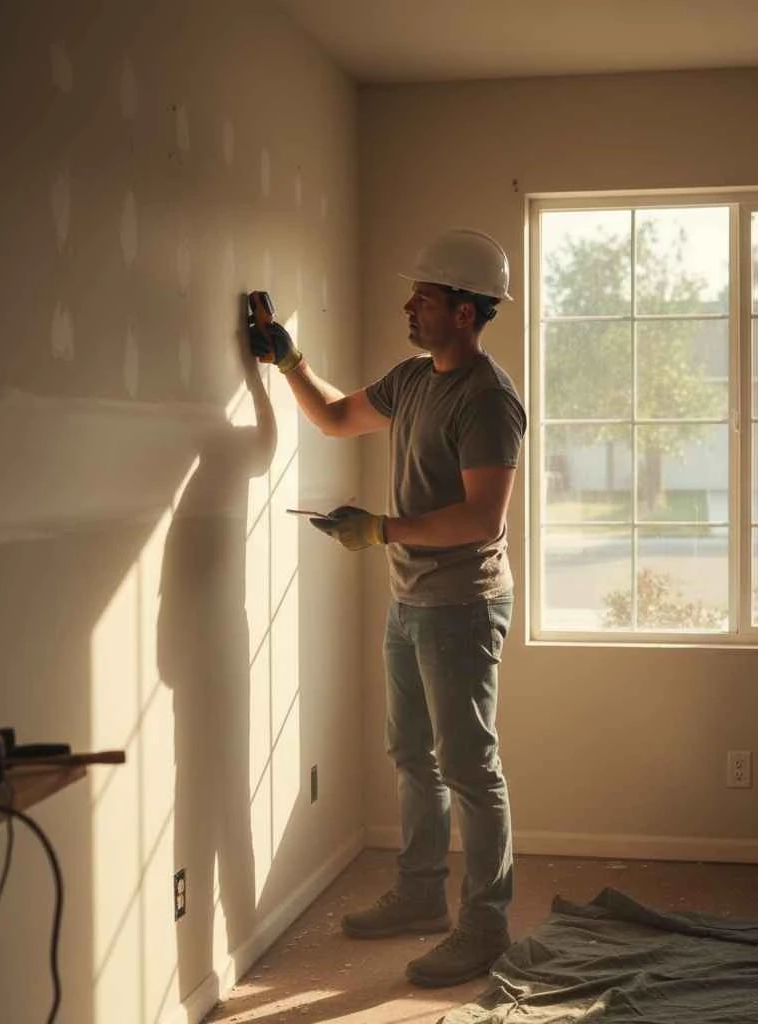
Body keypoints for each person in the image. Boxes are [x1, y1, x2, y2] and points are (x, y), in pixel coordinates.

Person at [249, 227, 527, 988]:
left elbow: (482, 520)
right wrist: (289, 362)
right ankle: (419, 895)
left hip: (462, 605)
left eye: (425, 298)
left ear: (466, 313)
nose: (409, 306)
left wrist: (380, 529)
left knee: (470, 766)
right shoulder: (413, 378)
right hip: (411, 598)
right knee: (413, 756)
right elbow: (338, 417)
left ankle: (486, 925)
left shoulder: (490, 401)